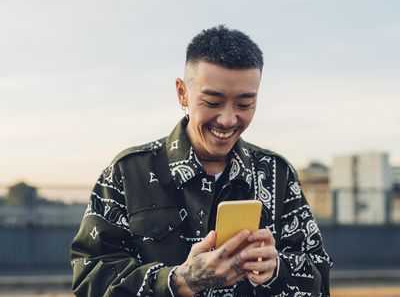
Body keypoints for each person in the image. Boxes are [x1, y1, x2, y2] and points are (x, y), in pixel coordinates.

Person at [70, 25, 332, 297]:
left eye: (244, 104)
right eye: (212, 102)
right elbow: (89, 277)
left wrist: (277, 270)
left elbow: (319, 276)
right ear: (182, 93)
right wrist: (180, 281)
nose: (228, 119)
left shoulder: (277, 174)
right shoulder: (127, 172)